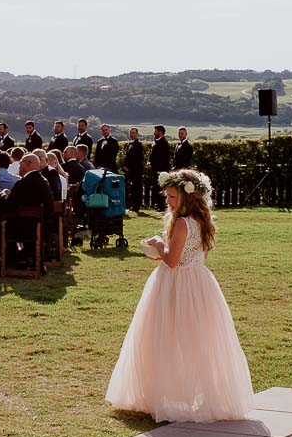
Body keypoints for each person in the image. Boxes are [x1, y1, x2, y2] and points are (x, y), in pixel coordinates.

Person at [105, 170, 254, 422]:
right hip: (200, 282)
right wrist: (163, 252)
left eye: (172, 197)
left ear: (186, 197)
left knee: (165, 336)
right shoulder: (202, 220)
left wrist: (158, 243)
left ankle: (162, 394)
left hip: (176, 284)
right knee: (197, 340)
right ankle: (198, 394)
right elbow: (197, 254)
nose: (168, 202)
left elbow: (173, 261)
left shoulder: (183, 222)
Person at [123, 127, 146, 214]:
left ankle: (137, 206)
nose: (132, 134)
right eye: (131, 133)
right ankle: (133, 205)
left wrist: (130, 169)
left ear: (137, 134)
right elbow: (127, 157)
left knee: (137, 189)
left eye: (133, 133)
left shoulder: (138, 145)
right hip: (129, 171)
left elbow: (138, 159)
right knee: (132, 189)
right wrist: (125, 166)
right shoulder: (130, 144)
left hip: (136, 171)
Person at [149, 125, 171, 210]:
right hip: (155, 169)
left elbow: (162, 158)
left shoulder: (164, 143)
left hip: (161, 169)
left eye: (155, 131)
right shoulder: (156, 141)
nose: (154, 133)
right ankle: (158, 205)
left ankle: (161, 206)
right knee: (156, 187)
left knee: (160, 187)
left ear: (160, 132)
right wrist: (149, 162)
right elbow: (152, 154)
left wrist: (157, 167)